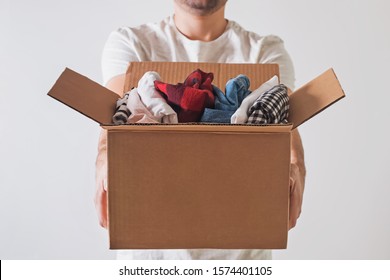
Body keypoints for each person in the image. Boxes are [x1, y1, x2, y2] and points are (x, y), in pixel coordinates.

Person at [95, 0, 306, 260]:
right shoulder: (131, 43)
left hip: (240, 258)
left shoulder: (265, 51)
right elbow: (115, 120)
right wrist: (104, 157)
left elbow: (286, 124)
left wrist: (296, 162)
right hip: (151, 258)